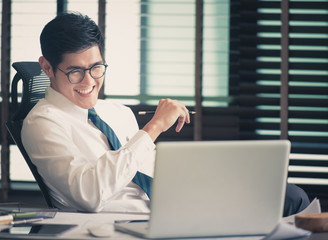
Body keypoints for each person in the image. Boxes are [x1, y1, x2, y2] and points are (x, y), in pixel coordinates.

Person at [22, 12, 310, 215]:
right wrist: (153, 128)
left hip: (180, 204)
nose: (89, 82)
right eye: (75, 71)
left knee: (289, 195)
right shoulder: (42, 123)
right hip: (128, 222)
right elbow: (89, 196)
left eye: (96, 68)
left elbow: (152, 169)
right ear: (47, 67)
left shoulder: (115, 111)